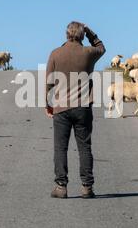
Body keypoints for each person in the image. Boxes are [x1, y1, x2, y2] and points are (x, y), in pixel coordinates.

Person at [45, 22, 106, 199]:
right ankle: (87, 187)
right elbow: (101, 47)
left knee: (60, 148)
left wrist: (48, 105)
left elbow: (49, 82)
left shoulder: (56, 53)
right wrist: (90, 32)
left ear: (66, 34)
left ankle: (61, 187)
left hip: (61, 108)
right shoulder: (89, 53)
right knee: (84, 147)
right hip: (83, 107)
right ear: (81, 34)